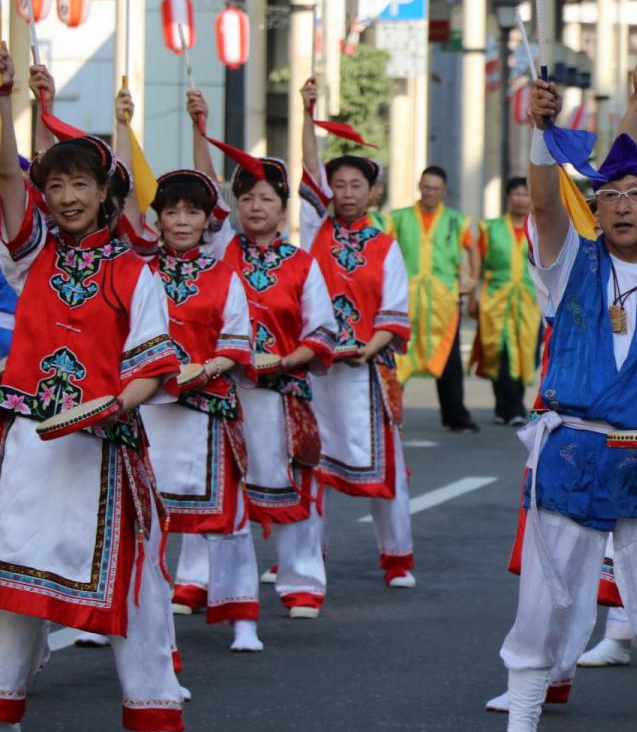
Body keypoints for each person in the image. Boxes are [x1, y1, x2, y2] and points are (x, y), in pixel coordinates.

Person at [500, 75, 637, 732]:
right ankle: (521, 716)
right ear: (595, 206)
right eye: (609, 195)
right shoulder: (567, 263)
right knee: (545, 598)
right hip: (571, 451)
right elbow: (544, 205)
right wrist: (542, 134)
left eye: (635, 194)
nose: (622, 206)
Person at [0, 46, 186, 731]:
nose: (67, 197)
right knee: (11, 592)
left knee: (135, 599)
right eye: (56, 187)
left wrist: (108, 407)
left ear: (106, 191)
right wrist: (5, 96)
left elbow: (150, 368)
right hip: (31, 454)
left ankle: (153, 713)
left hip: (104, 457)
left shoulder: (139, 273)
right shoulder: (32, 258)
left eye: (81, 184)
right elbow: (5, 174)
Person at [185, 89, 339, 619]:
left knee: (291, 483)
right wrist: (200, 127)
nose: (255, 206)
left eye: (266, 198)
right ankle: (196, 578)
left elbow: (322, 329)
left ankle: (301, 581)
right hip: (222, 392)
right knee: (206, 481)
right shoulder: (218, 249)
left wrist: (288, 361)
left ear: (282, 208)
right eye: (246, 197)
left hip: (279, 392)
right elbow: (203, 193)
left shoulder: (301, 264)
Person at [298, 79, 416, 588]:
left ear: (372, 191)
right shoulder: (314, 231)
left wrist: (366, 349)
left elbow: (395, 310)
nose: (345, 194)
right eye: (338, 185)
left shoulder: (385, 245)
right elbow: (305, 173)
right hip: (318, 370)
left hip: (367, 372)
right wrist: (307, 114)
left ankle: (397, 558)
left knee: (387, 471)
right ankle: (302, 559)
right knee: (308, 464)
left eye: (355, 186)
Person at [373, 166, 480, 431]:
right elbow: (380, 246)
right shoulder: (397, 218)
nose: (430, 192)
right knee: (399, 356)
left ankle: (455, 415)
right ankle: (390, 412)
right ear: (420, 187)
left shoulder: (456, 220)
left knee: (449, 359)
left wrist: (473, 279)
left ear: (444, 191)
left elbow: (472, 248)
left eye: (436, 188)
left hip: (443, 300)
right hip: (406, 298)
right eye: (426, 187)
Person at [471, 176, 540, 425]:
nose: (521, 199)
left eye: (525, 194)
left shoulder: (538, 228)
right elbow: (478, 263)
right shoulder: (489, 229)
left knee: (526, 353)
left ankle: (509, 406)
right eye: (516, 194)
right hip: (496, 300)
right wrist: (472, 295)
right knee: (499, 353)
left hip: (530, 301)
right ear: (508, 198)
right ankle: (510, 408)